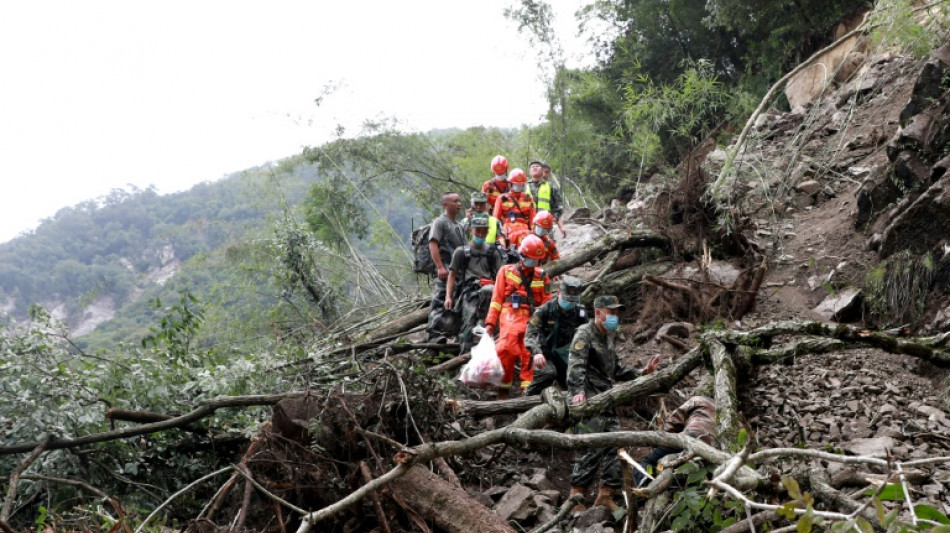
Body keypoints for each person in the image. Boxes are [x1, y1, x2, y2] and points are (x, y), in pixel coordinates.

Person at [567, 295, 661, 513]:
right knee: (590, 445)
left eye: (617, 313)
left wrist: (642, 373)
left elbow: (616, 369)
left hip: (608, 398)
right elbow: (575, 366)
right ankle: (576, 497)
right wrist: (578, 393)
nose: (615, 318)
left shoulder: (607, 337)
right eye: (611, 313)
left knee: (616, 445)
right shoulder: (584, 334)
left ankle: (605, 494)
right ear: (598, 312)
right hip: (590, 400)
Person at [483, 235, 552, 398]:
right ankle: (503, 389)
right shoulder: (506, 271)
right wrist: (490, 324)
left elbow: (546, 304)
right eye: (531, 259)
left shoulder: (542, 276)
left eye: (536, 260)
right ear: (522, 255)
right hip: (510, 314)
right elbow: (496, 300)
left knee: (529, 350)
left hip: (531, 316)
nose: (533, 263)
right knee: (506, 347)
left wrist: (546, 325)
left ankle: (526, 391)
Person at [444, 216, 503, 355]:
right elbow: (452, 275)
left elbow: (502, 275)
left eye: (483, 231)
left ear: (488, 232)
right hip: (469, 293)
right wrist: (448, 297)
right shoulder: (461, 252)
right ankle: (464, 357)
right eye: (477, 231)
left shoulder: (493, 252)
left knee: (494, 326)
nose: (480, 235)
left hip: (490, 294)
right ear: (471, 231)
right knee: (467, 329)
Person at [632, 396, 716, 487]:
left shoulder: (699, 400)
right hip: (711, 451)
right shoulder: (726, 415)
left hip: (688, 438)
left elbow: (675, 420)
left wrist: (663, 438)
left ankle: (645, 479)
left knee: (648, 462)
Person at [523, 276, 587, 396]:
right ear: (558, 293)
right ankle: (528, 397)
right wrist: (536, 352)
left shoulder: (580, 312)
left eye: (573, 301)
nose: (569, 303)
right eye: (567, 299)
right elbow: (530, 333)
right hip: (545, 356)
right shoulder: (544, 311)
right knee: (548, 373)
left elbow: (586, 333)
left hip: (566, 354)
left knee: (579, 377)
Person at [425, 192, 466, 342]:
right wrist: (440, 267)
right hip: (445, 270)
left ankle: (450, 334)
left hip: (457, 272)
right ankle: (434, 335)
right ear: (445, 204)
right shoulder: (440, 222)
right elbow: (433, 244)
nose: (459, 204)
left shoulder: (459, 226)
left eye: (459, 201)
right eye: (455, 201)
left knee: (455, 301)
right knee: (439, 300)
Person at [493, 168, 536, 252]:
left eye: (520, 184)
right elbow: (495, 220)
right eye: (516, 184)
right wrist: (498, 236)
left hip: (524, 231)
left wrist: (533, 233)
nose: (518, 186)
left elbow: (533, 220)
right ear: (511, 183)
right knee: (502, 250)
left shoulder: (528, 199)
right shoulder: (501, 198)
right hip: (507, 231)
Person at [528, 161, 567, 238]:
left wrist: (560, 226)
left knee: (548, 245)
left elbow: (558, 207)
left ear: (542, 171)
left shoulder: (551, 187)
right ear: (529, 171)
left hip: (545, 227)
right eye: (532, 167)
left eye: (537, 166)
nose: (534, 167)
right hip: (528, 228)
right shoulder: (523, 186)